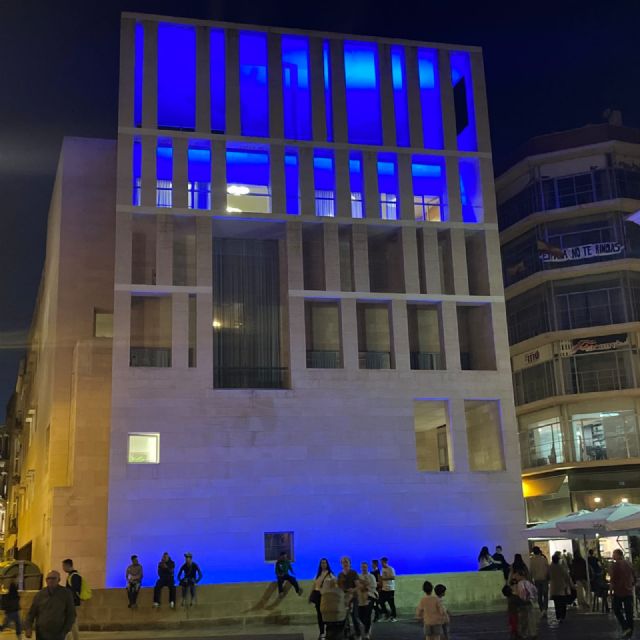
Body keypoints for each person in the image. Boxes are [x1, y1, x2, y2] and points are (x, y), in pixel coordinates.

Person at [25, 570, 76, 640]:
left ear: (59, 580)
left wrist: (65, 630)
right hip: (41, 633)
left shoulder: (66, 594)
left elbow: (71, 614)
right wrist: (28, 627)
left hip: (58, 633)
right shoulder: (40, 594)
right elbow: (31, 613)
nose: (50, 580)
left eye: (53, 578)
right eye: (48, 578)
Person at [610, 549, 635, 638]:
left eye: (614, 554)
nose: (613, 556)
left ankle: (625, 627)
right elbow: (634, 575)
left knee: (616, 609)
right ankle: (630, 630)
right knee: (629, 612)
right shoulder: (629, 563)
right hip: (628, 590)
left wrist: (611, 590)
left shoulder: (615, 565)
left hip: (619, 591)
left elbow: (613, 579)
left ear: (618, 555)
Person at [310, 558, 334, 640]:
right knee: (319, 615)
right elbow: (314, 585)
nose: (323, 564)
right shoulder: (318, 574)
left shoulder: (330, 574)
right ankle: (322, 632)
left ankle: (328, 632)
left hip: (325, 597)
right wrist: (311, 596)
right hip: (317, 596)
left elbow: (333, 586)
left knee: (326, 615)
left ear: (327, 564)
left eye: (324, 563)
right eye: (322, 563)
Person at [512, 570, 539, 640]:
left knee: (523, 620)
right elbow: (535, 590)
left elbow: (522, 593)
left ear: (521, 576)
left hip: (523, 603)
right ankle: (533, 633)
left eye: (517, 575)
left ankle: (524, 634)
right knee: (531, 619)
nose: (516, 577)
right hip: (530, 602)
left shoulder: (520, 583)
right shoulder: (529, 583)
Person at [337, 557, 359, 634]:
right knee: (344, 618)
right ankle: (347, 633)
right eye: (343, 562)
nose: (345, 563)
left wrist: (352, 590)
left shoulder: (353, 573)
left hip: (353, 597)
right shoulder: (340, 575)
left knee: (354, 617)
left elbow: (358, 586)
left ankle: (358, 633)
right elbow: (338, 587)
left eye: (346, 562)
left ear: (349, 563)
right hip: (344, 598)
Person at [356, 562, 377, 640]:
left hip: (369, 597)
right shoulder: (359, 576)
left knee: (367, 615)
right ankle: (367, 627)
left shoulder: (371, 576)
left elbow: (373, 586)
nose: (364, 568)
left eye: (365, 567)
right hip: (360, 599)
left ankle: (367, 632)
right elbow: (357, 586)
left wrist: (365, 587)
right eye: (362, 567)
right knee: (361, 616)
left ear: (367, 567)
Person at [549, 551, 572, 623]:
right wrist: (570, 584)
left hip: (554, 588)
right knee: (562, 603)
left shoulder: (550, 567)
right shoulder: (561, 567)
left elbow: (547, 576)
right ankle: (562, 616)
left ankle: (558, 616)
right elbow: (566, 576)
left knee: (557, 603)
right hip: (561, 587)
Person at [62, 558, 82, 640]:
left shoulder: (74, 576)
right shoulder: (72, 576)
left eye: (63, 566)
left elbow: (75, 590)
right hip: (71, 602)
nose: (63, 568)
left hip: (72, 603)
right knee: (71, 622)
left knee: (73, 622)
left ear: (67, 565)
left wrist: (70, 602)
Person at [529, 546, 549, 615]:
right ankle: (545, 609)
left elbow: (530, 571)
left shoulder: (532, 560)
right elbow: (548, 569)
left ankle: (541, 609)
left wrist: (531, 580)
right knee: (545, 595)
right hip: (544, 579)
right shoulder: (543, 559)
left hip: (536, 580)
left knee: (539, 595)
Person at [379, 557, 397, 622]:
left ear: (385, 562)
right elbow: (381, 578)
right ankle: (386, 614)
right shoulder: (382, 569)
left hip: (390, 589)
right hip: (384, 588)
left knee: (391, 603)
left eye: (382, 562)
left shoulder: (391, 569)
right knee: (381, 601)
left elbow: (393, 577)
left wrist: (384, 578)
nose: (381, 564)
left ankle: (393, 617)